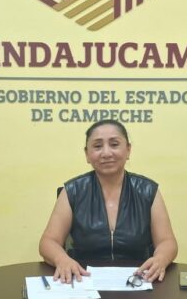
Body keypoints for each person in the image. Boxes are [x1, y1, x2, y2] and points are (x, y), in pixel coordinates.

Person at [39, 119, 178, 283]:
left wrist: (161, 259)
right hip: (84, 281)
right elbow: (48, 241)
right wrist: (62, 259)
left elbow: (167, 241)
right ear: (87, 154)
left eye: (114, 144)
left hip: (138, 282)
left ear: (128, 150)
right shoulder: (72, 191)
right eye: (97, 146)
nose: (106, 153)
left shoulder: (148, 191)